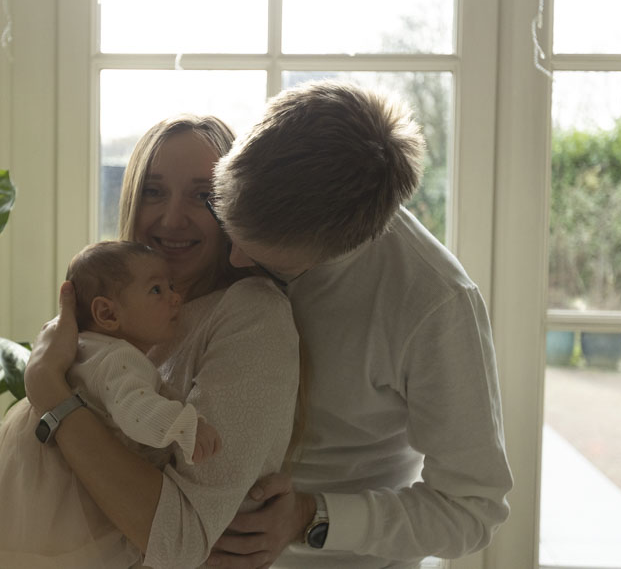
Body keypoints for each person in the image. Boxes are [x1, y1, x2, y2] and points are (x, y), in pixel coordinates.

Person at [199, 79, 513, 568]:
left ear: (337, 248)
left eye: (265, 259)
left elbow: (472, 511)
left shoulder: (435, 302)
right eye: (224, 223)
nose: (233, 258)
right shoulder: (250, 207)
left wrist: (312, 517)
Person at [22, 115, 301, 569]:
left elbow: (181, 539)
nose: (172, 219)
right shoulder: (124, 318)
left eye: (203, 195)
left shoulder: (252, 315)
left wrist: (48, 391)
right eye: (153, 191)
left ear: (234, 206)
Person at [0, 240, 223, 567]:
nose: (176, 297)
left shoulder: (84, 348)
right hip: (77, 493)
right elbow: (137, 413)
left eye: (171, 286)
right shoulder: (118, 358)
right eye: (157, 290)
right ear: (107, 313)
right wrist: (186, 426)